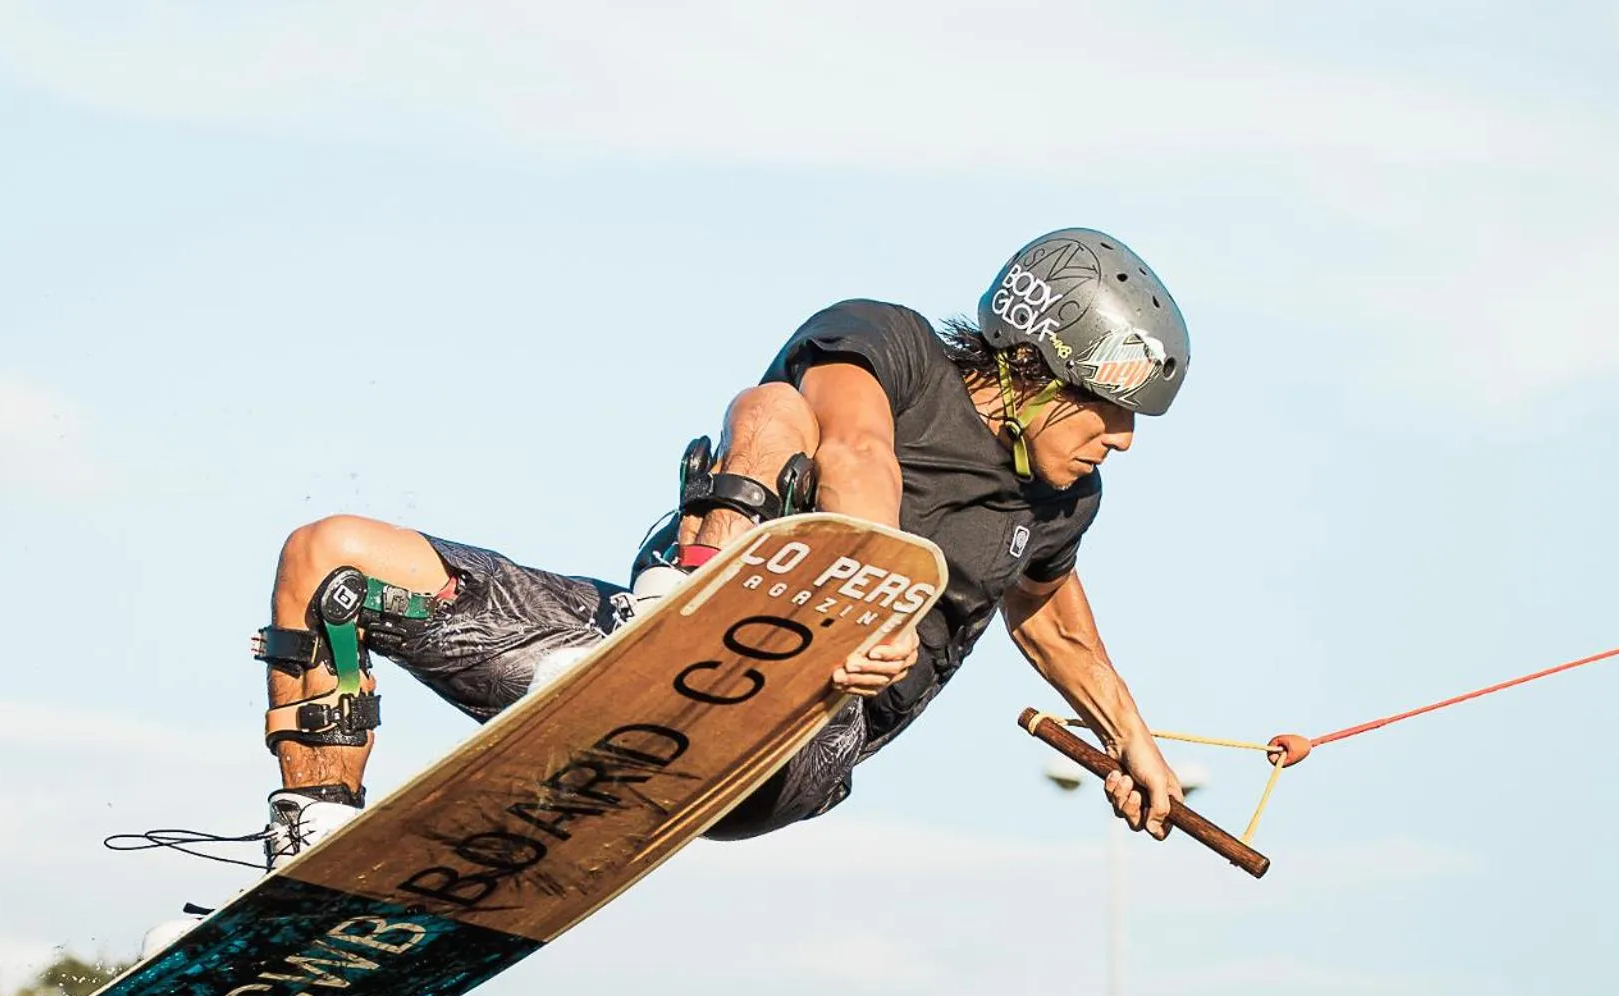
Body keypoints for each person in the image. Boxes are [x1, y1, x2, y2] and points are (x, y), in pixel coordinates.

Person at [144, 227, 1192, 952]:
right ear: (1031, 367)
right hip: (667, 637)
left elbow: (1051, 615)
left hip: (805, 734)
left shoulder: (1060, 499)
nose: (1124, 438)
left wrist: (1133, 735)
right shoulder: (892, 345)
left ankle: (665, 670)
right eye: (1109, 406)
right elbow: (856, 445)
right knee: (329, 555)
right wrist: (870, 594)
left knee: (782, 434)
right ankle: (307, 867)